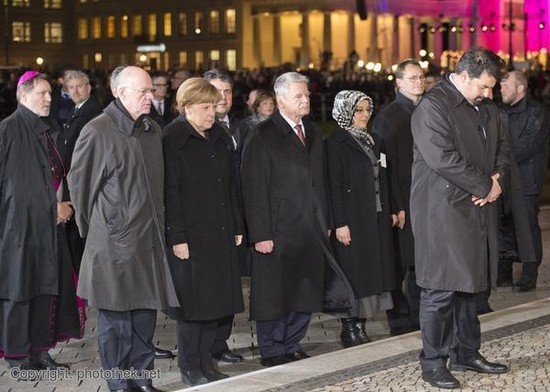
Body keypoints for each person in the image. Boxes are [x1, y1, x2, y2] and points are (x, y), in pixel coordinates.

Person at [68, 66, 179, 392]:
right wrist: (106, 228)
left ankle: (141, 379)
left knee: (144, 317)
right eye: (143, 91)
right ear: (120, 92)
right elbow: (81, 188)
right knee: (116, 321)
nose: (151, 96)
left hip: (148, 241)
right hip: (113, 245)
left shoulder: (150, 130)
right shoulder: (98, 130)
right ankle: (118, 383)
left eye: (151, 90)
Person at [410, 47, 509, 389]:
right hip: (442, 211)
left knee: (471, 286)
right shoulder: (433, 106)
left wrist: (496, 179)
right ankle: (433, 361)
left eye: (492, 87)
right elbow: (442, 158)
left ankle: (466, 353)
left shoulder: (486, 107)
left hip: (476, 206)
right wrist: (486, 185)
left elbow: (502, 149)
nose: (489, 93)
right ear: (463, 75)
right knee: (440, 288)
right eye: (483, 86)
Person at [241, 71, 354, 367]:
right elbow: (253, 188)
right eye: (299, 97)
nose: (306, 101)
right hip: (278, 229)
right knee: (276, 293)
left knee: (306, 289)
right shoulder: (262, 135)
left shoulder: (313, 131)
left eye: (307, 95)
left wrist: (326, 220)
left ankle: (291, 342)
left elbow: (321, 180)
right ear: (280, 100)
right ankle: (272, 348)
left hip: (311, 227)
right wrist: (260, 233)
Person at [163, 77, 245, 386]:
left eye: (214, 107)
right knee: (194, 306)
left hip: (220, 230)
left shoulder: (219, 136)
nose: (212, 113)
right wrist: (177, 237)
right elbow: (170, 193)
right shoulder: (172, 139)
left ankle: (207, 362)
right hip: (191, 235)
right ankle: (190, 365)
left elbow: (230, 185)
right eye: (205, 107)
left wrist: (237, 224)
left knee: (216, 301)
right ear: (185, 107)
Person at [0, 71, 83, 377]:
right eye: (43, 94)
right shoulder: (7, 130)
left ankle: (40, 350)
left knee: (46, 288)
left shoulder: (46, 128)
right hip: (18, 231)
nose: (50, 99)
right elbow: (12, 190)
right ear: (23, 95)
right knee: (20, 291)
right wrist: (53, 209)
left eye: (51, 93)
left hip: (48, 229)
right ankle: (18, 355)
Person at [325, 90, 396, 348]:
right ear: (346, 112)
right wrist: (340, 222)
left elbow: (385, 177)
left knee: (371, 270)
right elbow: (333, 185)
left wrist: (392, 208)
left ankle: (361, 323)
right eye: (359, 110)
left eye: (368, 109)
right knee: (353, 271)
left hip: (374, 215)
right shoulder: (334, 143)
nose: (365, 115)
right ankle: (350, 326)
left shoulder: (374, 140)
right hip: (352, 218)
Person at [372, 59, 425, 336]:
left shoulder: (427, 110)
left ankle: (418, 316)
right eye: (413, 78)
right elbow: (383, 167)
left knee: (420, 262)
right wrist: (395, 204)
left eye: (422, 77)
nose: (419, 82)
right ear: (399, 83)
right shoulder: (388, 117)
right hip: (401, 201)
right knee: (399, 265)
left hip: (425, 198)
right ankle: (400, 318)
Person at [203, 69, 247, 364]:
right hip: (207, 222)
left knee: (231, 283)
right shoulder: (195, 129)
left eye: (228, 91)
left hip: (234, 217)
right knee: (209, 285)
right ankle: (206, 345)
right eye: (216, 91)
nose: (223, 97)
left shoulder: (243, 129)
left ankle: (221, 342)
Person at [499, 70, 550, 292]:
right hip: (504, 179)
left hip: (526, 180)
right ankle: (504, 273)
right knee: (505, 225)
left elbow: (527, 147)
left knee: (526, 227)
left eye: (505, 85)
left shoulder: (537, 112)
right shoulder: (500, 110)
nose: (501, 89)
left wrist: (497, 159)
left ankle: (530, 274)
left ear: (519, 88)